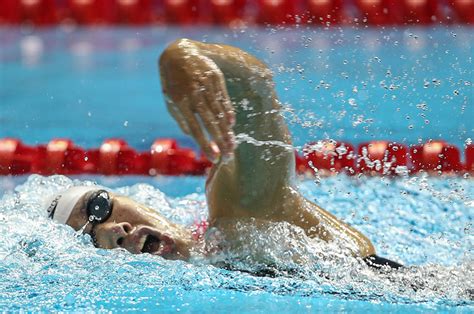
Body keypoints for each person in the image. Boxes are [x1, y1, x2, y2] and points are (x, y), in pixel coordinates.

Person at [45, 39, 402, 270]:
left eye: (99, 208)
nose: (113, 231)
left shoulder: (237, 219)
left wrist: (180, 56)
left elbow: (253, 86)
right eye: (88, 238)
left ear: (140, 200)